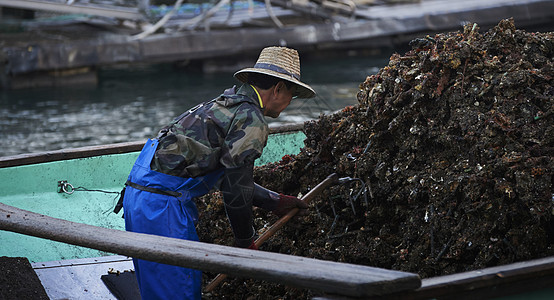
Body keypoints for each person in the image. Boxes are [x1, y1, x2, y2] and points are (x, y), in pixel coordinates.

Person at [121, 46, 316, 299]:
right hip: (162, 208)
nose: (291, 102)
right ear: (278, 88)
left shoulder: (221, 105)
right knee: (177, 292)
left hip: (138, 200)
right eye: (293, 94)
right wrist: (245, 240)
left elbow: (225, 178)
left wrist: (275, 201)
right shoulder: (250, 118)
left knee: (158, 288)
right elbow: (236, 189)